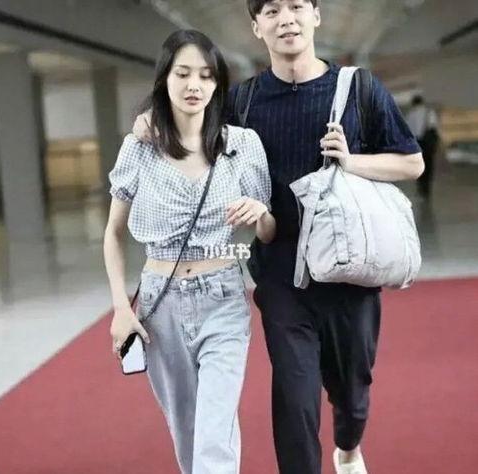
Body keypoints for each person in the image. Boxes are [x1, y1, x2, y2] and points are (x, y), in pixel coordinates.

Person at [132, 2, 424, 474]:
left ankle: (348, 448)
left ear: (315, 15)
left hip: (351, 271)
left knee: (352, 392)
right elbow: (188, 116)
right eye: (271, 10)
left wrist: (352, 162)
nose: (285, 18)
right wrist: (148, 120)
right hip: (281, 274)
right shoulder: (242, 102)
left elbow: (412, 162)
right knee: (294, 395)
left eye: (296, 6)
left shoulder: (359, 89)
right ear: (257, 26)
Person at [104, 30, 275, 474]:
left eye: (205, 75)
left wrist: (261, 214)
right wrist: (121, 308)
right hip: (160, 305)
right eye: (182, 73)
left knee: (215, 435)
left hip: (223, 298)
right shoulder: (139, 148)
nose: (194, 85)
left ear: (218, 84)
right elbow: (113, 234)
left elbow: (269, 233)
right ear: (165, 79)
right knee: (187, 432)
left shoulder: (242, 145)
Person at [406, 94, 440, 198]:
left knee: (419, 165)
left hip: (417, 143)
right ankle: (426, 188)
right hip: (428, 143)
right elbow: (433, 128)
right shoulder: (429, 112)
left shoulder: (411, 114)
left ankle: (420, 187)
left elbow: (408, 130)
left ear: (413, 103)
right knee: (429, 165)